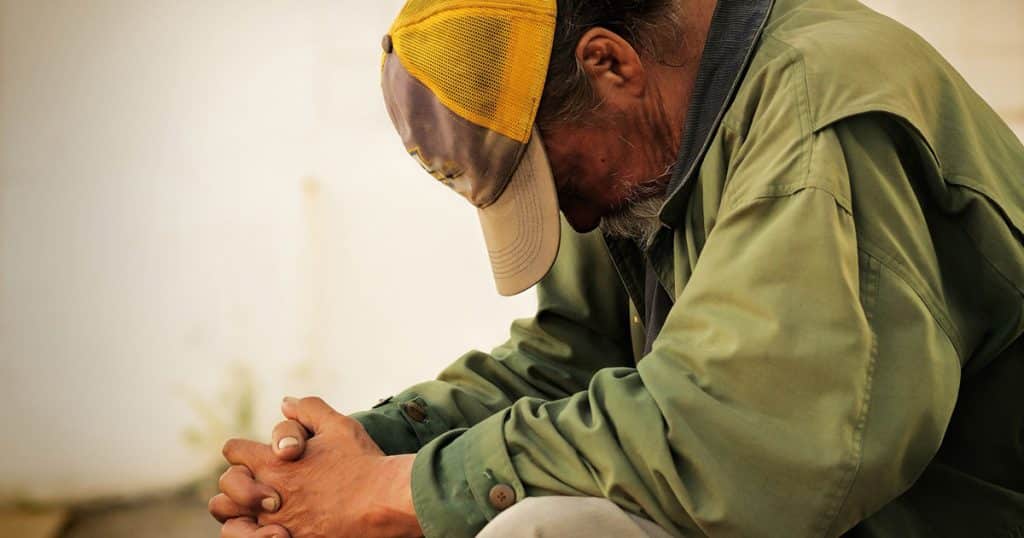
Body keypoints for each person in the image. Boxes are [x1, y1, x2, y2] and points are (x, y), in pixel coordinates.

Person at [208, 0, 1024, 536]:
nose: (577, 220)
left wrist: (399, 491)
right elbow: (575, 357)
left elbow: (747, 445)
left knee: (545, 532)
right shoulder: (649, 141)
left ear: (610, 66)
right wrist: (351, 458)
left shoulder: (814, 113)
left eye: (557, 181)